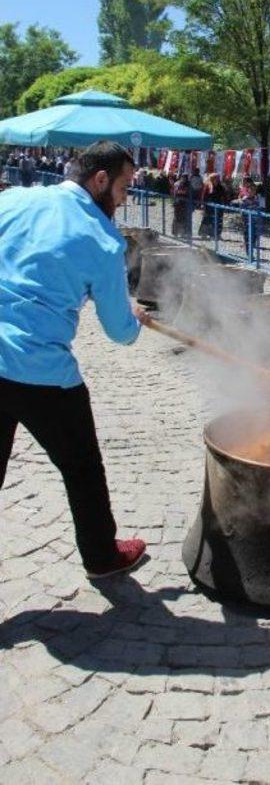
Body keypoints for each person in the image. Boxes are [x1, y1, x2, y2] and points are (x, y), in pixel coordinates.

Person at [0, 140, 151, 579]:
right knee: (82, 468)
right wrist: (133, 315)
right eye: (124, 188)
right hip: (40, 374)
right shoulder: (103, 241)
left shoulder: (13, 199)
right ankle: (103, 556)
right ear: (99, 179)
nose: (125, 200)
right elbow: (119, 332)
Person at [199, 172, 227, 239]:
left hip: (218, 206)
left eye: (217, 178)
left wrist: (224, 204)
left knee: (218, 220)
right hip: (209, 207)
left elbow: (224, 196)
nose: (217, 180)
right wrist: (203, 204)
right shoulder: (208, 186)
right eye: (215, 178)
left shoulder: (221, 187)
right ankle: (204, 233)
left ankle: (217, 234)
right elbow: (204, 196)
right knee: (207, 220)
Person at [171, 174, 192, 238]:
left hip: (185, 204)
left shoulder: (189, 185)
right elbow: (174, 193)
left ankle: (183, 233)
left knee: (184, 219)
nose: (184, 179)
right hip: (178, 204)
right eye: (183, 177)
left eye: (185, 178)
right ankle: (175, 233)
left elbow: (190, 194)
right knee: (176, 218)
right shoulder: (177, 184)